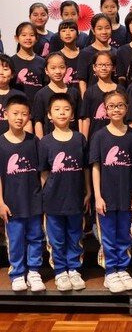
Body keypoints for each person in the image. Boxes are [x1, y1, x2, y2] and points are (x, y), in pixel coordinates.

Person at [38, 93, 91, 291]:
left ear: (73, 114)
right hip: (53, 200)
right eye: (57, 109)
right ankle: (60, 271)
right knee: (56, 238)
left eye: (66, 109)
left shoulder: (79, 139)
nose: (62, 113)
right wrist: (44, 195)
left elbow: (85, 168)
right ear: (49, 115)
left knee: (75, 235)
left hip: (76, 198)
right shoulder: (45, 142)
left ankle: (74, 269)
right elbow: (44, 172)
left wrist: (88, 191)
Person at [90, 90, 132, 293]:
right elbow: (95, 167)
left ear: (126, 108)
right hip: (106, 196)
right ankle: (110, 271)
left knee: (124, 234)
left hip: (127, 195)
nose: (116, 109)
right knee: (109, 235)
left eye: (120, 105)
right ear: (105, 110)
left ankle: (122, 269)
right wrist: (98, 196)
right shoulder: (99, 136)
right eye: (111, 106)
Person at [0, 95, 45, 292]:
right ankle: (17, 273)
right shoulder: (1, 143)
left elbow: (42, 172)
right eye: (15, 113)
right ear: (5, 114)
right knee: (16, 239)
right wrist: (0, 202)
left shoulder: (34, 141)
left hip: (34, 200)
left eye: (24, 114)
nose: (19, 117)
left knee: (36, 236)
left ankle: (34, 271)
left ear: (29, 117)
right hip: (11, 203)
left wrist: (42, 195)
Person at [32, 52, 81, 138]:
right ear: (46, 70)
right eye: (53, 68)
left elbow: (80, 118)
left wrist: (80, 138)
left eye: (61, 67)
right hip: (50, 141)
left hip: (72, 140)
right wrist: (41, 142)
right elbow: (38, 121)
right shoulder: (41, 94)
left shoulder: (74, 92)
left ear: (66, 69)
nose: (58, 71)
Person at [80, 51, 124, 140]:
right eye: (100, 65)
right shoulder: (89, 92)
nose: (103, 68)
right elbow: (86, 119)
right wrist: (84, 141)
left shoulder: (121, 90)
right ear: (94, 67)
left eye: (107, 65)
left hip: (118, 137)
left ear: (113, 67)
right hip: (95, 139)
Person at [77, 14, 117, 98]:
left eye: (107, 28)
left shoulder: (116, 52)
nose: (104, 32)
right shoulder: (85, 53)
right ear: (93, 30)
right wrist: (85, 100)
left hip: (113, 99)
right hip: (93, 98)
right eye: (99, 28)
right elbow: (82, 80)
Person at [11, 22, 46, 107]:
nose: (28, 38)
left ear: (37, 38)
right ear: (16, 38)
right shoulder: (11, 62)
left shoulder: (42, 62)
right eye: (24, 35)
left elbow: (46, 87)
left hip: (37, 107)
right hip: (16, 107)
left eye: (32, 35)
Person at [0, 54, 28, 134]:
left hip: (14, 139)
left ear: (12, 74)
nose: (1, 72)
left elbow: (27, 122)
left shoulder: (20, 96)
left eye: (5, 69)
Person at [58, 20, 81, 89]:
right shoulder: (56, 57)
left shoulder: (84, 55)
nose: (67, 33)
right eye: (63, 31)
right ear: (59, 35)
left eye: (71, 30)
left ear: (77, 34)